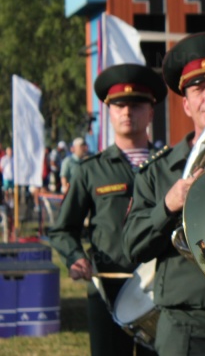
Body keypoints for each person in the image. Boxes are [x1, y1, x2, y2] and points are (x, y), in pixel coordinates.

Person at [123, 32, 205, 355]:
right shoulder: (158, 171)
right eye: (199, 89)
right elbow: (130, 246)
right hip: (185, 327)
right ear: (185, 104)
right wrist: (169, 204)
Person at [49, 64, 166, 356]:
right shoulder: (91, 170)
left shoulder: (169, 166)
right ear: (109, 113)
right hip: (107, 294)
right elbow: (63, 228)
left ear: (150, 113)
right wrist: (75, 258)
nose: (127, 112)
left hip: (161, 293)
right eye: (119, 105)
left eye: (137, 105)